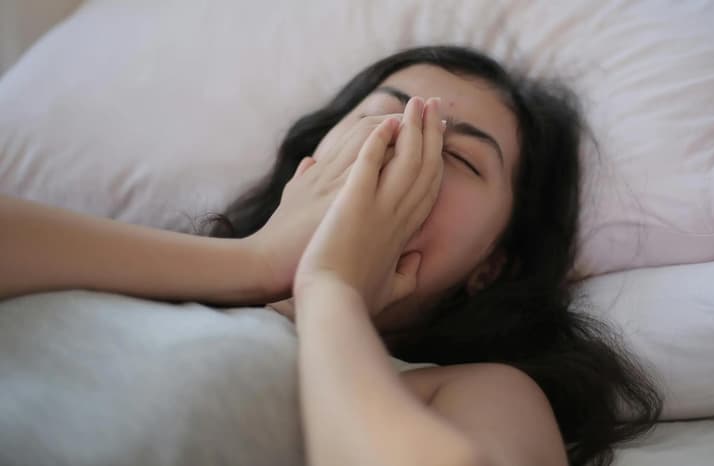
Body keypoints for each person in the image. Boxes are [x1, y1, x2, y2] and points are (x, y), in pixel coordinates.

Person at [0, 45, 661, 466]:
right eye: (385, 118)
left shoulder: (471, 393)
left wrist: (331, 291)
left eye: (458, 156)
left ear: (495, 264)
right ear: (310, 162)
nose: (406, 151)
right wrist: (258, 263)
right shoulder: (134, 261)